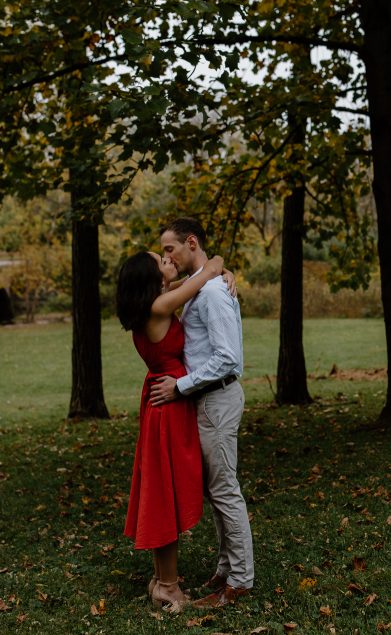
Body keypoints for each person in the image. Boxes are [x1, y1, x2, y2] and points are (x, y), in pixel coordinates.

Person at [149, 217, 254, 609]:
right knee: (216, 489)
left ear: (191, 242)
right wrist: (217, 266)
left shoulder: (210, 293)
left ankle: (240, 581)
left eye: (169, 249)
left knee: (225, 490)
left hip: (216, 398)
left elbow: (228, 358)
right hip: (206, 400)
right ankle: (227, 567)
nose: (166, 256)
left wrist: (180, 385)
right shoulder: (201, 287)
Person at [115, 250, 227, 614]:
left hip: (163, 402)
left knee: (164, 491)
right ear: (152, 279)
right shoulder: (160, 307)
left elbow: (191, 282)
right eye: (159, 260)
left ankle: (161, 578)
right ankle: (167, 587)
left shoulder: (150, 304)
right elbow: (204, 274)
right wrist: (217, 265)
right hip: (168, 406)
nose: (167, 260)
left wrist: (221, 274)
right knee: (164, 495)